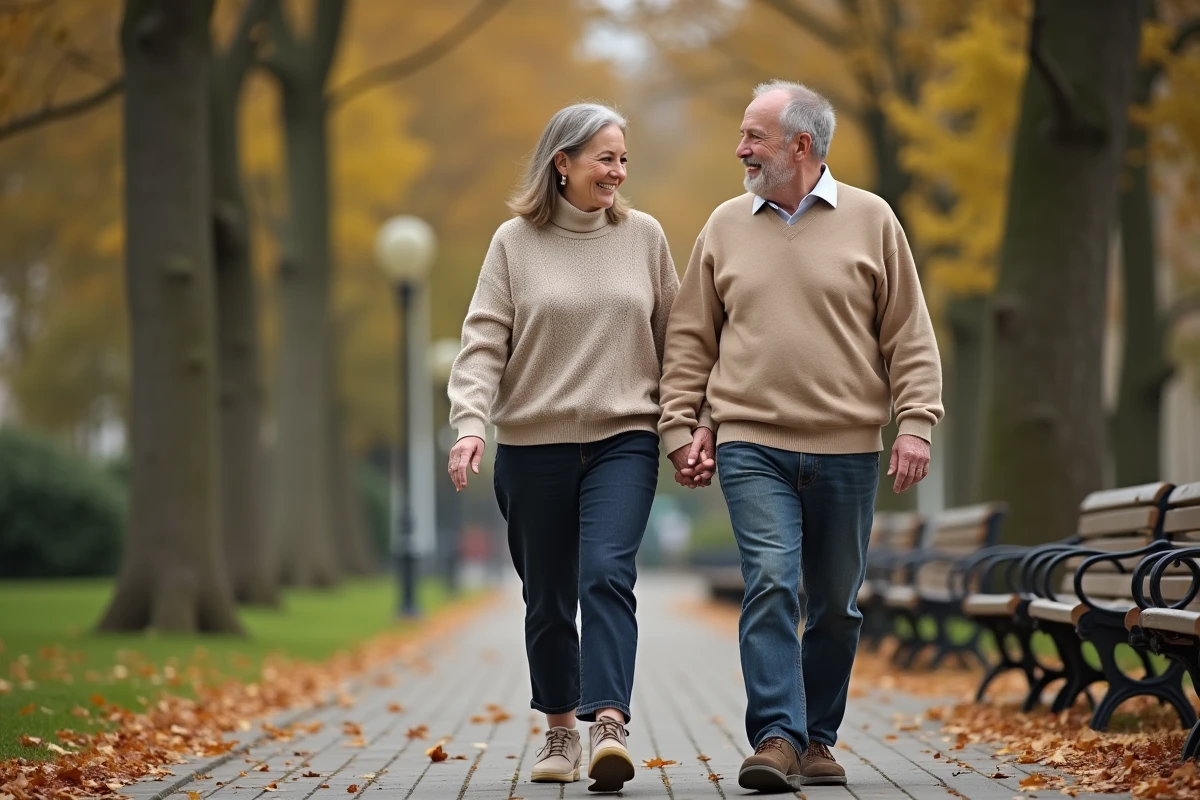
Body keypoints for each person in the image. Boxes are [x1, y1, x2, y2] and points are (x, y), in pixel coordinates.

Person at [659, 80, 944, 792]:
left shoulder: (874, 220)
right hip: (750, 443)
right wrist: (682, 425)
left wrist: (916, 422)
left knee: (837, 607)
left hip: (848, 447)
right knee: (771, 584)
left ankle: (819, 737)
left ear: (800, 146)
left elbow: (908, 334)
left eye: (753, 136)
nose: (740, 149)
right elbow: (691, 339)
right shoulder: (723, 226)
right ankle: (777, 739)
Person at [445, 102, 713, 793]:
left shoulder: (646, 237)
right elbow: (481, 344)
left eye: (623, 159)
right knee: (547, 598)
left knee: (606, 574)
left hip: (624, 440)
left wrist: (684, 430)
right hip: (534, 446)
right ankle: (560, 730)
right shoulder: (513, 243)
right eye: (605, 158)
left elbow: (677, 345)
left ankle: (609, 727)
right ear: (561, 163)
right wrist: (470, 424)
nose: (617, 172)